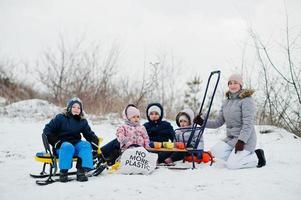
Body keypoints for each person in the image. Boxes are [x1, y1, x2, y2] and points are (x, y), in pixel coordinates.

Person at [194, 74, 266, 169]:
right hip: (231, 139)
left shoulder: (247, 100)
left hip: (245, 140)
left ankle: (257, 156)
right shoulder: (226, 102)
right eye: (230, 83)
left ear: (240, 85)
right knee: (215, 151)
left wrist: (241, 141)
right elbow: (218, 122)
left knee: (232, 165)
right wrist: (202, 122)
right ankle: (236, 157)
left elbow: (248, 124)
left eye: (235, 83)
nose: (232, 85)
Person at [43, 97, 99, 182]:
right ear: (69, 108)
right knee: (67, 146)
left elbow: (89, 134)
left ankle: (81, 171)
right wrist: (56, 142)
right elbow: (47, 130)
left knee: (85, 145)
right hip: (61, 146)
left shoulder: (82, 121)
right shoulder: (60, 118)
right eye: (74, 107)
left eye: (78, 108)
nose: (76, 109)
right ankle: (63, 173)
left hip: (75, 144)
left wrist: (94, 142)